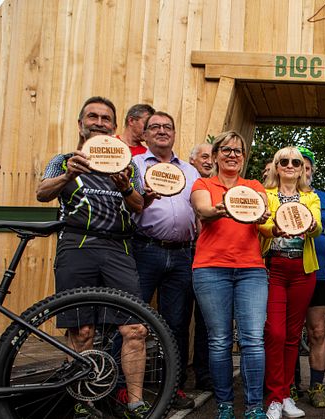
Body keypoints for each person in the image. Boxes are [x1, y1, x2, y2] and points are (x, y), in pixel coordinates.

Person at [35, 96, 150, 418]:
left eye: (105, 118)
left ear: (114, 126)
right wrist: (68, 175)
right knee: (82, 331)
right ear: (81, 123)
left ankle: (136, 404)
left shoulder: (127, 162)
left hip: (119, 249)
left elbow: (139, 206)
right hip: (77, 245)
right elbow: (42, 193)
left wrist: (127, 187)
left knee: (136, 330)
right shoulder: (63, 159)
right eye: (93, 116)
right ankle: (82, 402)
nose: (99, 122)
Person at [191, 131, 270, 419]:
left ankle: (253, 407)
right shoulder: (203, 183)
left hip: (251, 269)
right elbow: (203, 210)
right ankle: (224, 405)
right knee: (220, 340)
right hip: (211, 268)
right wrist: (219, 210)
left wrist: (266, 217)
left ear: (243, 157)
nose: (233, 155)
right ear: (215, 155)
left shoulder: (254, 186)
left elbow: (264, 215)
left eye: (238, 151)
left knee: (252, 339)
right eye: (226, 150)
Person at [131, 111, 199, 410]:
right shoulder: (133, 165)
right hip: (144, 249)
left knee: (177, 324)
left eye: (167, 127)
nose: (161, 131)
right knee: (131, 320)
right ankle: (124, 390)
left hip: (184, 253)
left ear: (174, 133)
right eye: (154, 127)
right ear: (144, 134)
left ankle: (174, 387)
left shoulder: (191, 170)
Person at [260, 146, 322, 419]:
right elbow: (259, 224)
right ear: (275, 166)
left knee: (293, 336)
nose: (289, 165)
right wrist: (272, 228)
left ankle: (285, 396)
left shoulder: (311, 197)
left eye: (295, 162)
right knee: (275, 333)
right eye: (283, 161)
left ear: (302, 168)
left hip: (302, 269)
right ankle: (274, 397)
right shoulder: (266, 195)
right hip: (274, 267)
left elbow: (317, 225)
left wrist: (311, 226)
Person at [297, 146, 325, 409]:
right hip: (286, 271)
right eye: (298, 165)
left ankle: (317, 387)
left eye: (307, 165)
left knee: (319, 331)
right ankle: (289, 386)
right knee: (287, 333)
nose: (303, 170)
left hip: (320, 272)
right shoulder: (278, 196)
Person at [188, 141, 214, 392]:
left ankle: (204, 374)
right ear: (192, 160)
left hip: (209, 255)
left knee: (207, 319)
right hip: (183, 250)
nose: (208, 160)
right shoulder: (184, 177)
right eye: (203, 156)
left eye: (211, 156)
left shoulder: (219, 185)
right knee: (178, 317)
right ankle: (177, 376)